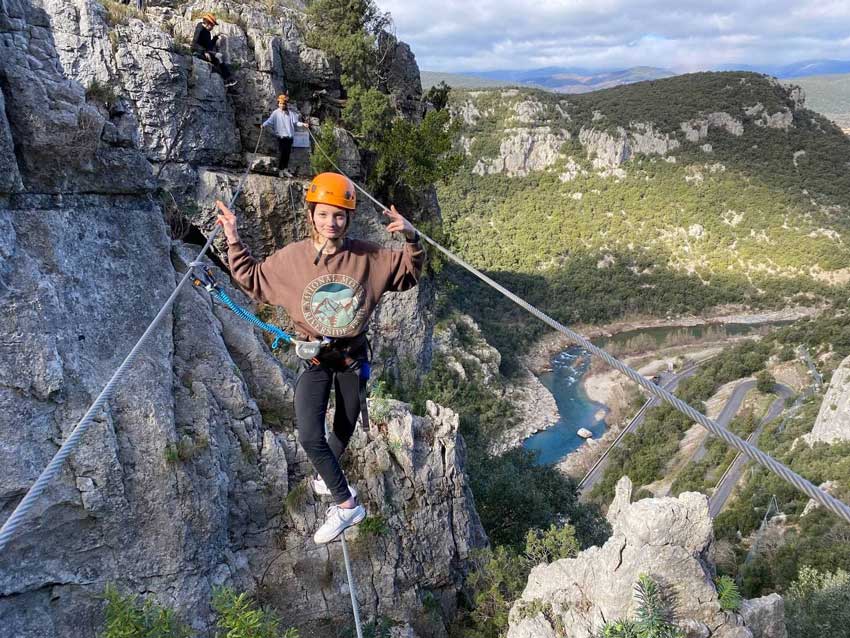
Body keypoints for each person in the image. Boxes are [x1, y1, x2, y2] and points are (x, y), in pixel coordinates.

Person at [215, 172, 424, 544]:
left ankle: (326, 480)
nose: (332, 223)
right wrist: (232, 237)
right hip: (315, 357)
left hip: (352, 358)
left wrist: (411, 236)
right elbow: (252, 278)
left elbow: (408, 273)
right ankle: (347, 505)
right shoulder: (293, 259)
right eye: (325, 214)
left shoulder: (368, 257)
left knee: (343, 427)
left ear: (349, 218)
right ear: (311, 214)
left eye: (340, 216)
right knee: (311, 436)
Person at [262, 94, 308, 178]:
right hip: (281, 137)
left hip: (289, 137)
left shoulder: (291, 113)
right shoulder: (275, 113)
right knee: (281, 153)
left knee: (287, 154)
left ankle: (285, 170)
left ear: (286, 104)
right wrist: (263, 125)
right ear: (278, 103)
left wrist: (303, 124)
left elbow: (296, 122)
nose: (281, 105)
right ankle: (280, 170)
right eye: (280, 103)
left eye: (283, 104)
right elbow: (269, 121)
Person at [191, 13, 236, 88]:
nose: (212, 27)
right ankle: (227, 79)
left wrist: (215, 37)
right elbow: (194, 43)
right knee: (219, 57)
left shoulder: (208, 33)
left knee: (219, 58)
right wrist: (204, 52)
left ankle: (227, 79)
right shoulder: (200, 28)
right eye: (212, 25)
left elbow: (209, 47)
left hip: (205, 52)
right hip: (198, 52)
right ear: (208, 23)